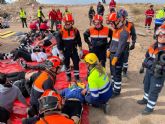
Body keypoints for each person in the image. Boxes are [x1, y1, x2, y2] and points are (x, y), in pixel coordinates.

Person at [137, 24, 165, 115]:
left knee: (153, 90)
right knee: (147, 86)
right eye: (160, 34)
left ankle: (150, 107)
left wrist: (160, 67)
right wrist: (143, 65)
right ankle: (145, 99)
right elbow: (147, 56)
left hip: (158, 75)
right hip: (149, 71)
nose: (162, 37)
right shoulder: (153, 45)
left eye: (164, 35)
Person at [106, 12, 129, 97]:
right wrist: (109, 49)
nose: (111, 25)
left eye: (112, 23)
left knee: (117, 73)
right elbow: (113, 42)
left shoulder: (124, 32)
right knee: (112, 72)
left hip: (118, 56)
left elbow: (121, 47)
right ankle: (113, 85)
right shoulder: (116, 30)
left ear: (118, 21)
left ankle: (117, 90)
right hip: (112, 54)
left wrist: (116, 57)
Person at [57, 14, 83, 82]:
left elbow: (79, 41)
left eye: (70, 23)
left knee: (76, 63)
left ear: (72, 22)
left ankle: (77, 77)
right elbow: (59, 44)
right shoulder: (60, 32)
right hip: (65, 51)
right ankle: (68, 76)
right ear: (64, 22)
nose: (68, 24)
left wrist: (80, 50)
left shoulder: (75, 31)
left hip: (74, 50)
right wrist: (60, 54)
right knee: (66, 64)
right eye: (67, 23)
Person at [116, 9, 137, 77]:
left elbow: (133, 34)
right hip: (118, 44)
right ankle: (117, 70)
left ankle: (124, 71)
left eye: (120, 17)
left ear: (124, 17)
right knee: (117, 57)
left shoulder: (130, 25)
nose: (119, 18)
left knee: (125, 59)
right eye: (118, 17)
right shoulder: (117, 24)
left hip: (126, 45)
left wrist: (133, 43)